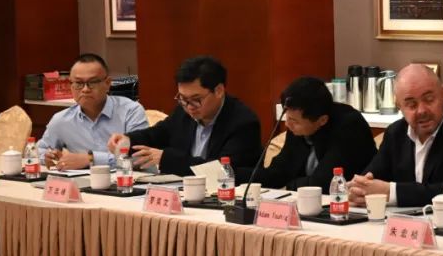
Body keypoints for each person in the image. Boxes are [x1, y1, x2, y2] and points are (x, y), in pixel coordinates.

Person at [347, 63, 443, 212]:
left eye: (429, 99)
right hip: (420, 225)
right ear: (399, 106)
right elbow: (370, 178)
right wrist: (359, 190)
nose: (422, 110)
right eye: (411, 104)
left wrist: (392, 192)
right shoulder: (395, 134)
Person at [107, 56, 261, 176]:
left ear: (219, 91)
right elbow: (158, 133)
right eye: (182, 98)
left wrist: (167, 159)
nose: (189, 106)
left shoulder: (243, 123)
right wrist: (128, 140)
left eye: (196, 99)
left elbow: (222, 171)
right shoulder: (184, 111)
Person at [250, 76, 376, 190]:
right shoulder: (297, 125)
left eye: (294, 121)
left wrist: (288, 186)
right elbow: (279, 172)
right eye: (287, 117)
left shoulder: (349, 126)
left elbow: (324, 182)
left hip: (352, 201)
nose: (287, 124)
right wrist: (241, 177)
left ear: (322, 120)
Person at [39, 53, 148, 170]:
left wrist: (90, 159)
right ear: (71, 85)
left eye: (92, 82)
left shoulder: (130, 111)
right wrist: (48, 157)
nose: (85, 89)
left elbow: (139, 158)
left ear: (108, 83)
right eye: (79, 83)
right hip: (85, 180)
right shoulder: (62, 120)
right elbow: (41, 150)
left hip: (132, 179)